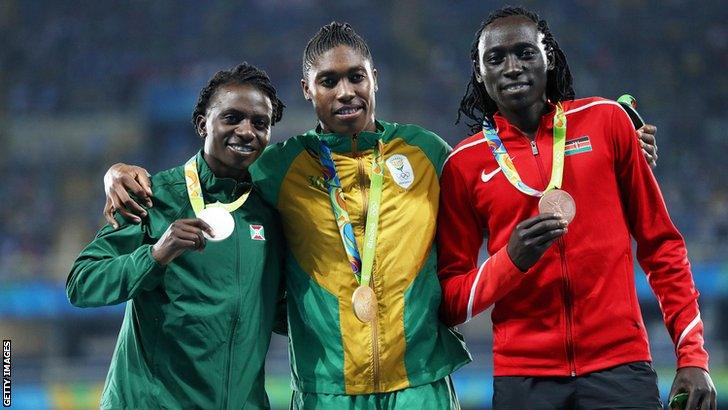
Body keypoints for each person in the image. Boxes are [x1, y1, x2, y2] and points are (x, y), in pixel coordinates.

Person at [102, 23, 471, 409]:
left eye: (356, 77)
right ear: (307, 90)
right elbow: (209, 179)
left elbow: (481, 198)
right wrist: (117, 174)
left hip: (421, 382)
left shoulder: (426, 151)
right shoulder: (279, 166)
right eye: (328, 81)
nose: (345, 92)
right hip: (325, 390)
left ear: (373, 79)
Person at [437, 6, 716, 410]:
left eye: (525, 53)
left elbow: (662, 246)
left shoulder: (606, 123)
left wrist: (691, 354)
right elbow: (450, 301)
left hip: (620, 367)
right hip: (524, 378)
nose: (512, 67)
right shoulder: (464, 165)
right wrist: (509, 261)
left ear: (547, 56)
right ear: (480, 72)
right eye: (495, 58)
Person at [67, 63, 286, 409]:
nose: (246, 131)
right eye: (231, 118)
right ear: (203, 124)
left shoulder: (271, 212)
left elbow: (277, 311)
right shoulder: (156, 196)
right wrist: (155, 255)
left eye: (260, 123)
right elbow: (81, 283)